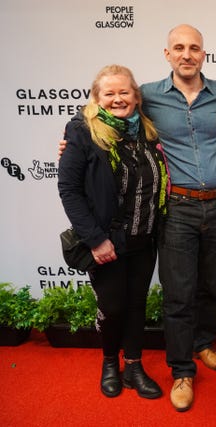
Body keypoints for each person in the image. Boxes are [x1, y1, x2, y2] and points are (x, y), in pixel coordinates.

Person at [140, 24, 216, 411]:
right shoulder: (148, 95)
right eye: (179, 48)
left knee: (211, 285)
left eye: (194, 48)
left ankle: (203, 343)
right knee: (179, 293)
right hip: (178, 207)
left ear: (204, 54)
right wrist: (73, 135)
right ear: (167, 54)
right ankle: (182, 370)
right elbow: (104, 111)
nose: (187, 54)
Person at [58, 64, 167, 400]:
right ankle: (109, 363)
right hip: (107, 242)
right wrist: (95, 239)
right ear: (97, 97)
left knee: (136, 305)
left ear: (136, 96)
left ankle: (133, 365)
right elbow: (69, 190)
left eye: (124, 92)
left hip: (144, 237)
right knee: (113, 306)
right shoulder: (82, 131)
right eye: (110, 93)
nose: (118, 99)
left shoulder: (146, 131)